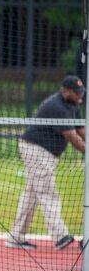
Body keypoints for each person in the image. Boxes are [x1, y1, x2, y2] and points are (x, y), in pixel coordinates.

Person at [6, 75, 85, 251]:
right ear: (66, 91)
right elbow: (72, 137)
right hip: (36, 150)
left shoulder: (72, 104)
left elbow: (81, 130)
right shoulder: (57, 106)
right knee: (48, 192)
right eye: (77, 92)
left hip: (44, 152)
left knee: (31, 195)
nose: (81, 96)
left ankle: (15, 236)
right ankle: (60, 236)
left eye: (82, 92)